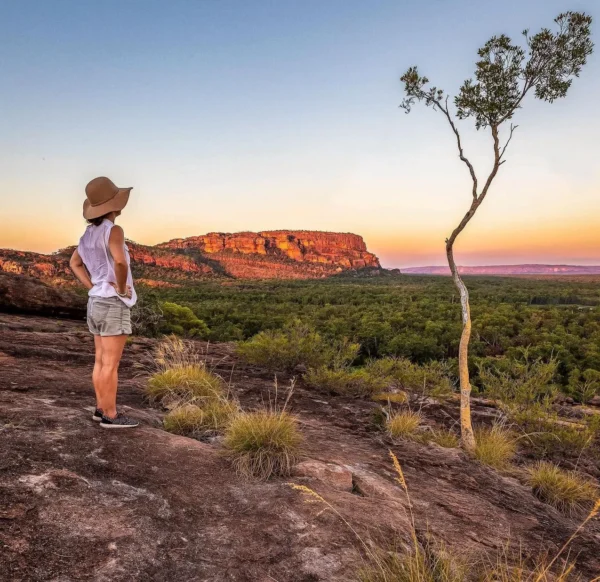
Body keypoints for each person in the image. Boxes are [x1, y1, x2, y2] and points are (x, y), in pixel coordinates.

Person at [70, 176, 139, 429]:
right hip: (111, 304)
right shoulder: (114, 231)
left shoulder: (87, 234)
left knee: (100, 360)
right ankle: (110, 414)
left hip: (95, 303)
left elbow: (74, 264)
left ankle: (100, 409)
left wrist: (93, 287)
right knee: (110, 364)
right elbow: (120, 262)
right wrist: (121, 289)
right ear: (113, 206)